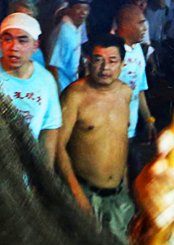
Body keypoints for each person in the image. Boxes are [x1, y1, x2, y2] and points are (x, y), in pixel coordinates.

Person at [57, 34, 135, 237]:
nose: (105, 68)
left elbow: (121, 141)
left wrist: (125, 184)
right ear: (89, 61)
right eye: (98, 60)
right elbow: (57, 147)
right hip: (85, 192)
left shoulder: (125, 93)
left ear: (122, 64)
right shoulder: (75, 95)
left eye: (112, 61)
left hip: (118, 194)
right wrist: (76, 193)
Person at [0, 12, 62, 159]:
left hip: (27, 167)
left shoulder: (45, 81)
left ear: (35, 45)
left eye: (22, 41)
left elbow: (49, 128)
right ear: (0, 43)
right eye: (7, 39)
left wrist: (45, 174)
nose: (14, 47)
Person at [114, 3, 155, 142]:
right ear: (126, 24)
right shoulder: (110, 52)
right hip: (110, 131)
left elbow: (139, 89)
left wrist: (148, 119)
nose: (145, 28)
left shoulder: (137, 49)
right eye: (141, 23)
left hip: (130, 130)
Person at [49, 0, 91, 92]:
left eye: (86, 9)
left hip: (71, 83)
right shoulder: (64, 32)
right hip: (62, 86)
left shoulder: (78, 26)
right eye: (79, 8)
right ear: (69, 10)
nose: (83, 13)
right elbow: (52, 65)